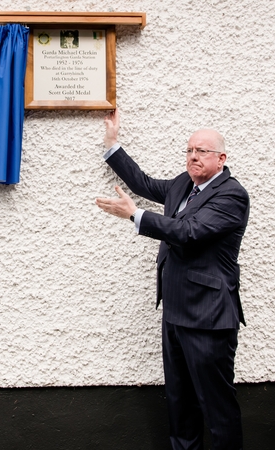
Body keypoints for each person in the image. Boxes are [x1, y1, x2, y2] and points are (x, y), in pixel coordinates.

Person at [95, 109, 249, 450]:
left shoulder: (231, 195)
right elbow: (145, 185)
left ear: (221, 158)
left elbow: (189, 232)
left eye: (202, 151)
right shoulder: (184, 183)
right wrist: (112, 145)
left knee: (217, 406)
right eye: (189, 150)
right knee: (180, 403)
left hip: (208, 317)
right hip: (176, 311)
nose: (193, 156)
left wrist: (134, 214)